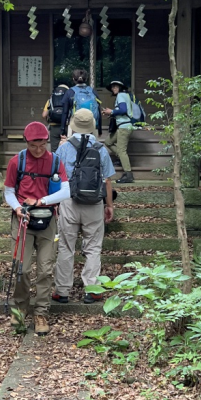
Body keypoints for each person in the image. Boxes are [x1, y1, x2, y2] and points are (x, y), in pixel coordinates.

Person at [3, 121, 69, 335]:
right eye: (33, 146)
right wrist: (17, 208)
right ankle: (19, 310)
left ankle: (41, 312)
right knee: (22, 268)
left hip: (48, 219)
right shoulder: (17, 162)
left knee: (46, 269)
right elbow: (9, 191)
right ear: (27, 143)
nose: (38, 150)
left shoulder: (55, 162)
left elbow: (66, 191)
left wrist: (40, 201)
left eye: (42, 145)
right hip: (23, 220)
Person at [52, 108, 115, 304]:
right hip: (94, 202)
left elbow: (55, 177)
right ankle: (93, 289)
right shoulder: (101, 149)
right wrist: (109, 205)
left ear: (74, 125)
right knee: (94, 247)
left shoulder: (63, 148)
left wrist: (55, 203)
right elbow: (107, 180)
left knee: (65, 246)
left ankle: (62, 291)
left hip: (68, 200)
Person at [102, 78, 135, 184]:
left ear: (120, 88)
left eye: (115, 86)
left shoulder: (121, 95)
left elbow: (123, 110)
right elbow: (121, 111)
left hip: (124, 127)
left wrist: (111, 111)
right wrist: (110, 113)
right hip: (123, 126)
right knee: (108, 142)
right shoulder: (125, 96)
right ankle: (122, 159)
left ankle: (128, 174)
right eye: (112, 87)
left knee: (121, 151)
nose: (113, 88)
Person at [59, 68, 102, 139]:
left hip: (74, 126)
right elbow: (98, 110)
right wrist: (99, 128)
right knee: (91, 148)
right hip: (91, 125)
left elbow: (65, 112)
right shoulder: (92, 91)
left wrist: (62, 129)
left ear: (73, 79)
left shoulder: (70, 92)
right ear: (86, 79)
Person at [43, 83, 70, 151]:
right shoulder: (70, 99)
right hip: (66, 127)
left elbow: (44, 115)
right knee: (67, 149)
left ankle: (55, 161)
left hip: (54, 127)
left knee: (54, 150)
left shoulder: (50, 100)